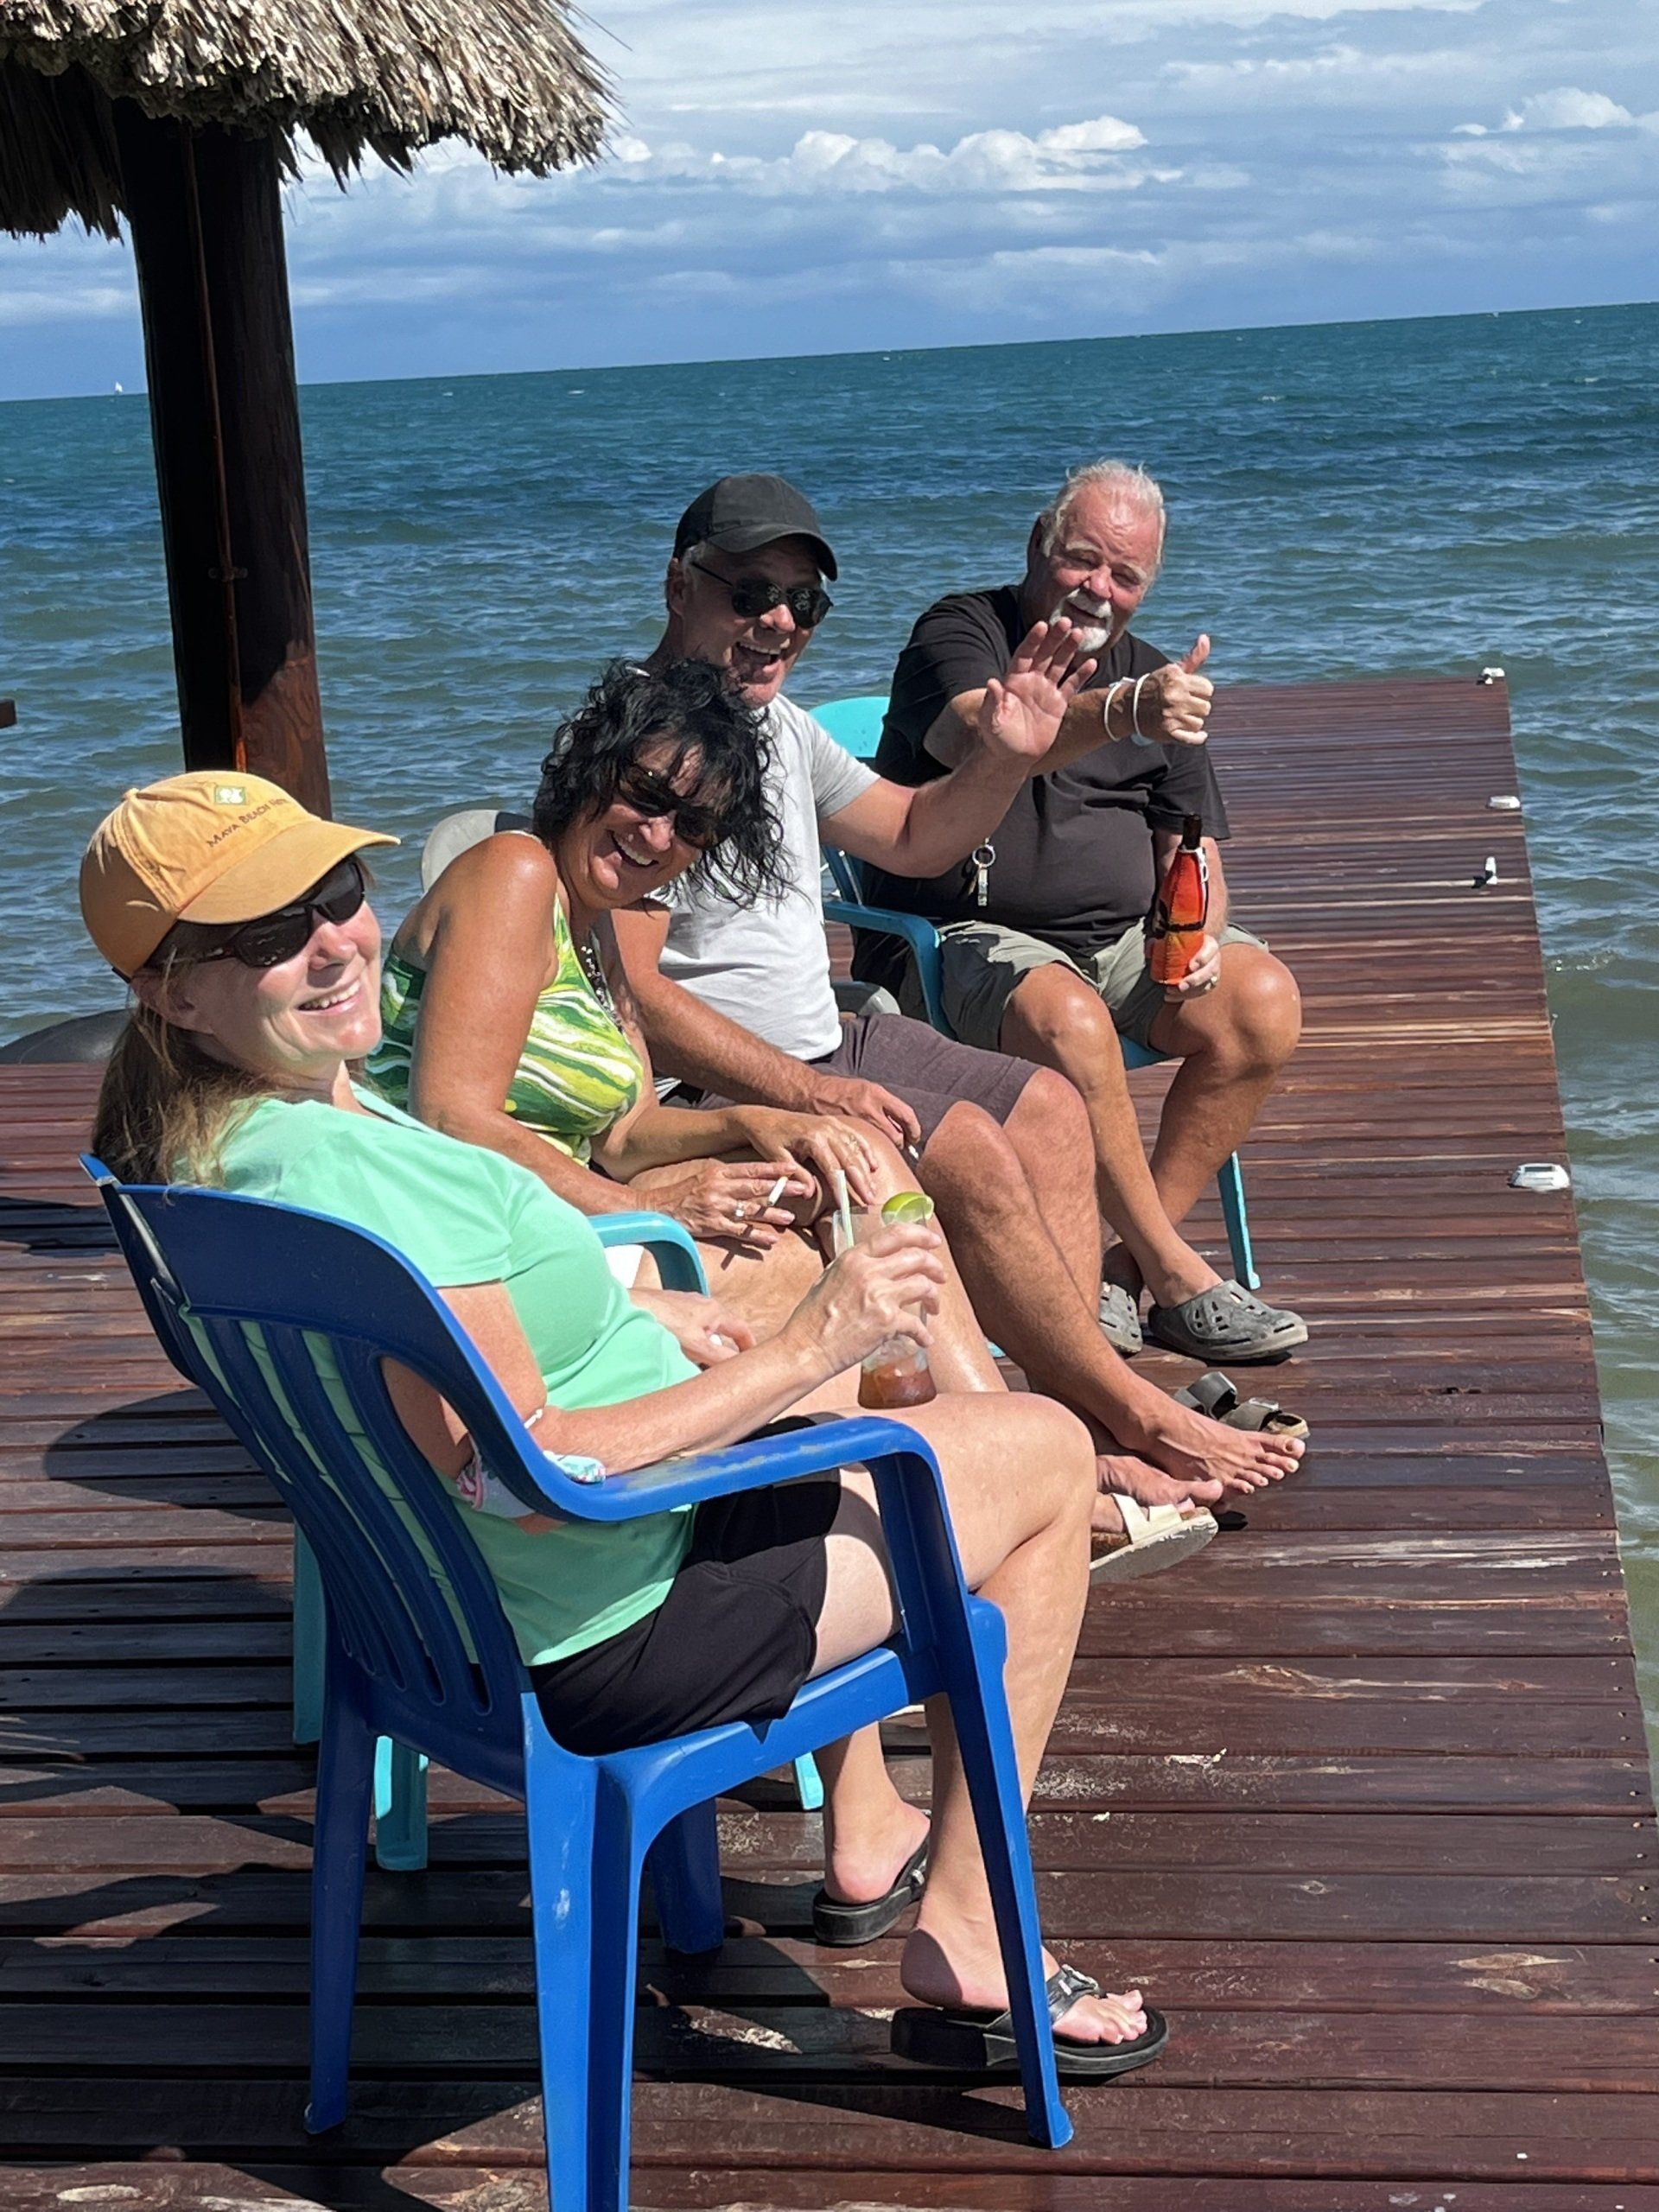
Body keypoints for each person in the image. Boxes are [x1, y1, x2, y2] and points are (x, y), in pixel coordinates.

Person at [79, 767, 1167, 2077]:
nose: (333, 941)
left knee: (831, 1387)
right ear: (169, 989)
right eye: (267, 935)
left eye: (339, 894)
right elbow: (525, 1469)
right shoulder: (355, 1179)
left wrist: (647, 1316)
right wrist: (819, 1335)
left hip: (441, 1615)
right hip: (610, 1615)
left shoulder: (219, 1157)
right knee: (1041, 1452)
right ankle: (973, 1924)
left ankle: (872, 1827)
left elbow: (458, 1371)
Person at [609, 474, 1306, 1525]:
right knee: (975, 1144)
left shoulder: (778, 728)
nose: (779, 623)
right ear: (677, 584)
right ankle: (1119, 1427)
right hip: (720, 1080)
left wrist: (1009, 755)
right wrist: (802, 1089)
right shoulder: (636, 748)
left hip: (824, 1038)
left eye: (805, 603)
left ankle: (1079, 1423)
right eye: (750, 591)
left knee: (1050, 1107)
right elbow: (634, 993)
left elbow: (916, 834)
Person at [371, 656, 1007, 1373]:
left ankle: (987, 1430)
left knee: (851, 1157)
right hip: (468, 1250)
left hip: (543, 1216)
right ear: (592, 764)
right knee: (818, 1276)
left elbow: (625, 1133)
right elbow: (452, 1118)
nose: (657, 834)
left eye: (693, 824)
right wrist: (657, 1212)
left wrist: (757, 1121)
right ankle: (990, 1444)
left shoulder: (596, 928)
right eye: (646, 794)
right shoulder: (514, 875)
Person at [858, 459, 1306, 1364]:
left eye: (1125, 574)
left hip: (1122, 942)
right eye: (1081, 560)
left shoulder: (1159, 683)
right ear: (1037, 546)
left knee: (1262, 1001)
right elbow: (978, 736)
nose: (1099, 587)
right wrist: (1128, 709)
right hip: (959, 942)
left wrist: (1203, 935)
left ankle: (1126, 1271)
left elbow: (1191, 845)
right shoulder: (960, 631)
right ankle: (1178, 1274)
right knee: (1070, 1016)